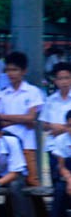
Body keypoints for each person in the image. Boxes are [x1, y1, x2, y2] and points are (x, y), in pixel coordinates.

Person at [0, 52, 44, 187]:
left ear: (24, 71)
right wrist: (24, 120)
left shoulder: (32, 91)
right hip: (8, 144)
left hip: (27, 144)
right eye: (9, 70)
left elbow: (31, 117)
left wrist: (7, 118)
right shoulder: (3, 94)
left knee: (32, 181)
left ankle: (40, 209)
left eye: (15, 70)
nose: (11, 73)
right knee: (11, 182)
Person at [42, 62, 71, 192]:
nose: (64, 82)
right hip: (53, 146)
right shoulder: (50, 100)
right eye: (60, 78)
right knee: (57, 182)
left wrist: (62, 129)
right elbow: (43, 124)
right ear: (55, 81)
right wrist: (51, 126)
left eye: (67, 78)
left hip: (68, 146)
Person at [45, 110, 71, 217]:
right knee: (59, 191)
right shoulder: (61, 140)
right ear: (66, 126)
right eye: (70, 126)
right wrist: (69, 180)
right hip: (66, 175)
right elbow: (61, 166)